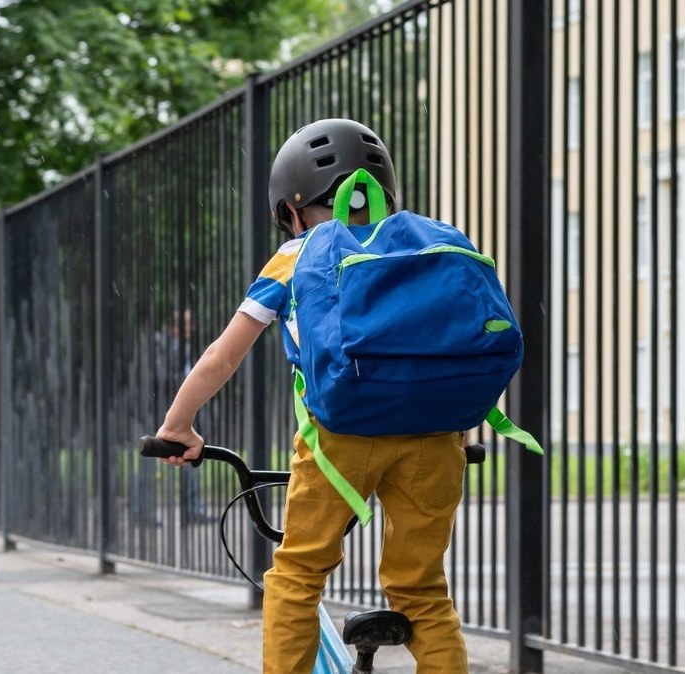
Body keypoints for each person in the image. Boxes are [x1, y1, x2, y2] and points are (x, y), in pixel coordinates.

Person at [153, 118, 469, 673]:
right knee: (421, 588)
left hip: (341, 438)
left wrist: (178, 425)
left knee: (298, 574)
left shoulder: (296, 255)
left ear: (291, 210)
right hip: (437, 439)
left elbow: (220, 356)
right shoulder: (427, 246)